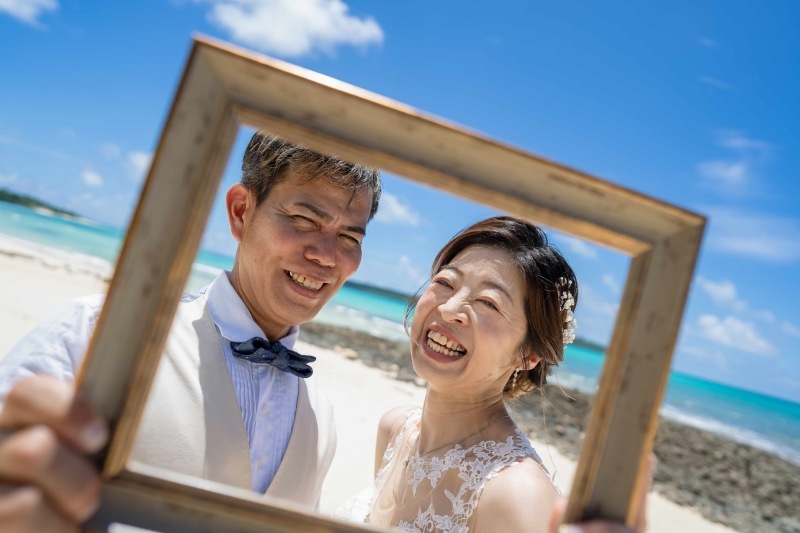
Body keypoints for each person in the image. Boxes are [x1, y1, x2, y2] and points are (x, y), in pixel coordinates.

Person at [0, 132, 382, 530]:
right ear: (241, 212)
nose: (325, 255)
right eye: (304, 220)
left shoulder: (321, 414)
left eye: (348, 237)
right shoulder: (100, 332)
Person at [336, 215, 585, 531]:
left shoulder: (517, 494)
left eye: (488, 303)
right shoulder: (394, 430)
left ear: (528, 354)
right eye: (445, 282)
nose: (449, 309)